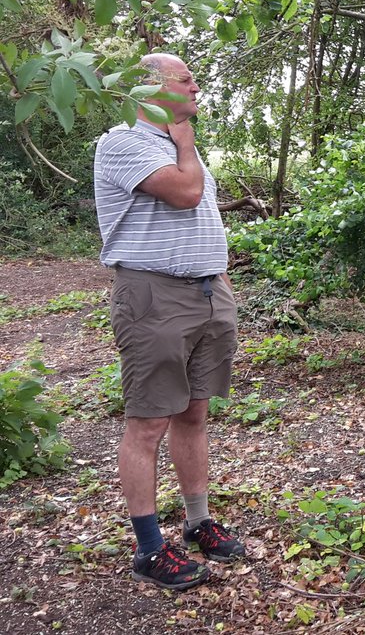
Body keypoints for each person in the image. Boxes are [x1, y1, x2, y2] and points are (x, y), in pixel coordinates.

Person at [93, 53, 245, 590]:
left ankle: (198, 521)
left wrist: (220, 281)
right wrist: (184, 144)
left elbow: (199, 209)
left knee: (194, 413)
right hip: (154, 296)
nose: (197, 86)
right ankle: (149, 549)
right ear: (151, 89)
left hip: (208, 294)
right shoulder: (123, 143)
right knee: (149, 422)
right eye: (186, 79)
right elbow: (186, 194)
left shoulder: (181, 147)